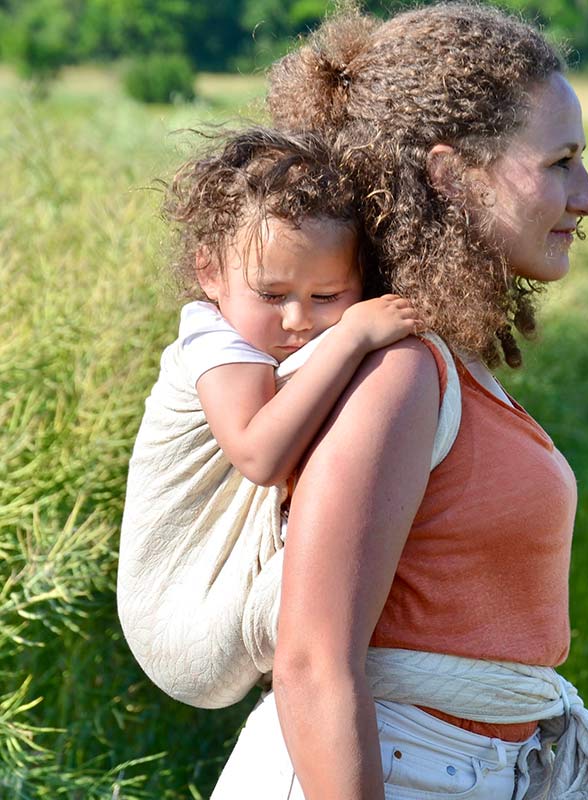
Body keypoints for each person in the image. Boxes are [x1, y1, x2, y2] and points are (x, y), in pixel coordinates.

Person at [212, 3, 588, 799]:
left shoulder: (442, 364)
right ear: (449, 175)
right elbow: (312, 662)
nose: (587, 198)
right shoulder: (401, 375)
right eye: (560, 163)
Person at [117, 127, 420, 709]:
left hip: (222, 609)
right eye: (272, 294)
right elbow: (259, 455)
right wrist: (351, 334)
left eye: (329, 296)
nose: (298, 320)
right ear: (210, 274)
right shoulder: (209, 341)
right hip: (182, 614)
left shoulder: (270, 328)